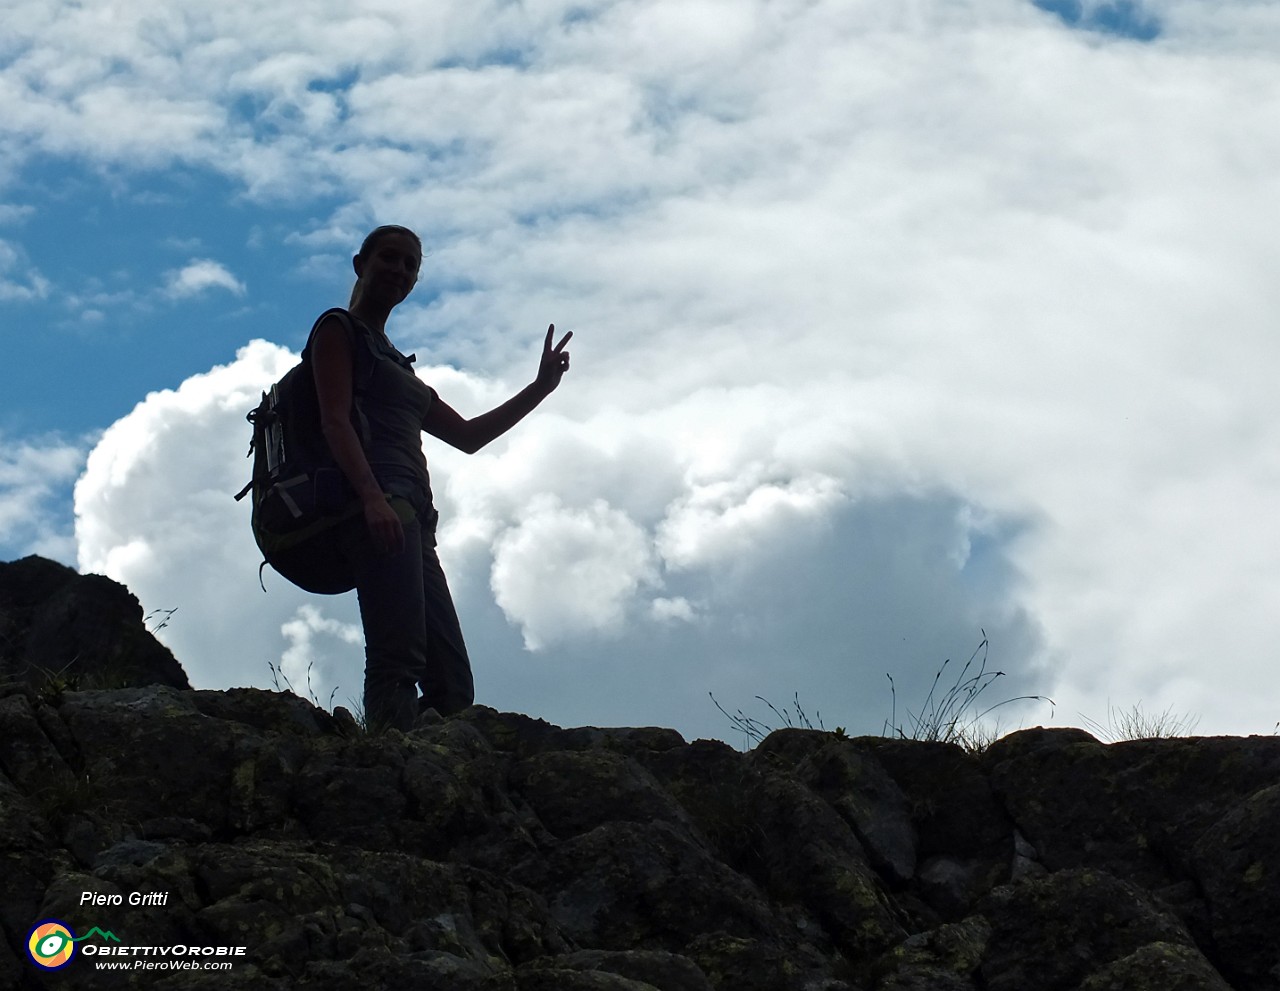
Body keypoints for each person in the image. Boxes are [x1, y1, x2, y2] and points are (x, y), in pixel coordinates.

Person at [310, 225, 571, 731]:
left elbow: (470, 436)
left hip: (413, 521)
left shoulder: (396, 365)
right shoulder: (336, 330)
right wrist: (371, 498)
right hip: (375, 508)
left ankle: (432, 771)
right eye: (390, 258)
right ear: (360, 263)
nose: (400, 271)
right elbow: (334, 421)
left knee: (451, 682)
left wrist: (540, 388)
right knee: (398, 655)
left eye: (411, 265)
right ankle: (382, 768)